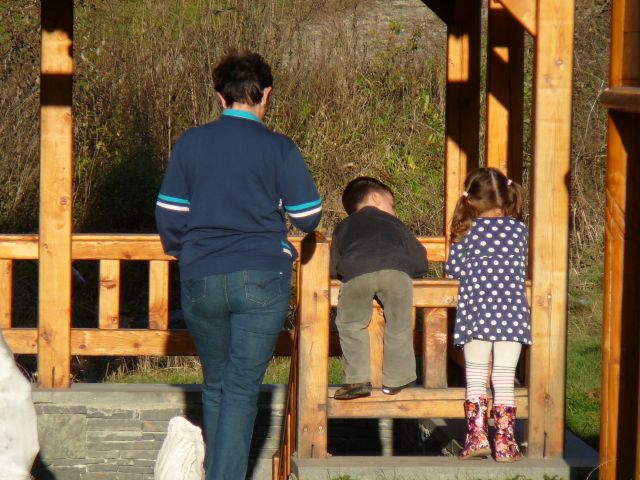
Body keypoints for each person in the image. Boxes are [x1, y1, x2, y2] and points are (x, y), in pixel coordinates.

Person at [155, 50, 321, 480]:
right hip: (261, 275)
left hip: (200, 274)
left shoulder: (191, 143)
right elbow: (307, 216)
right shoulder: (279, 147)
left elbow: (169, 213)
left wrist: (185, 251)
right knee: (242, 387)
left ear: (219, 97)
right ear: (266, 95)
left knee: (215, 383)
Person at [445, 167, 530, 462]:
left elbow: (453, 270)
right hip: (513, 314)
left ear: (469, 199)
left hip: (476, 314)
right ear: (506, 196)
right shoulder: (520, 230)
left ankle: (477, 439)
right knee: (504, 377)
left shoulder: (466, 231)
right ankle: (505, 444)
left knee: (476, 376)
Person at [330, 177, 428, 400]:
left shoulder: (343, 226)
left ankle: (356, 380)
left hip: (356, 272)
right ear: (375, 197)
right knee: (399, 324)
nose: (394, 211)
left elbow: (333, 266)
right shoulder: (394, 223)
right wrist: (411, 269)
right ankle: (397, 380)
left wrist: (343, 274)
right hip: (396, 271)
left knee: (350, 324)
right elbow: (420, 260)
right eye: (392, 205)